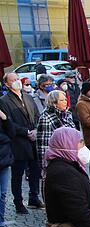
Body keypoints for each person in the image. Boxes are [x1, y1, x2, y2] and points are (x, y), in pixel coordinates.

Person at [1, 73, 42, 214]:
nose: (17, 82)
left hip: (33, 140)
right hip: (18, 142)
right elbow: (8, 123)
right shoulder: (4, 101)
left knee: (35, 170)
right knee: (18, 174)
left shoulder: (28, 97)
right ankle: (18, 201)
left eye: (18, 79)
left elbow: (37, 116)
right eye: (13, 80)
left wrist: (36, 130)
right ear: (6, 84)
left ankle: (34, 196)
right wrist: (26, 132)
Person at [37, 90, 75, 175]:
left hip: (71, 158)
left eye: (65, 99)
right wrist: (45, 166)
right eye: (61, 100)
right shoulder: (46, 118)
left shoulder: (66, 115)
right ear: (54, 103)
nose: (65, 102)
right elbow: (43, 146)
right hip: (57, 161)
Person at [0, 107, 18, 227]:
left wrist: (5, 118)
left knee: (2, 194)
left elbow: (12, 133)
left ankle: (1, 224)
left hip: (4, 159)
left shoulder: (2, 114)